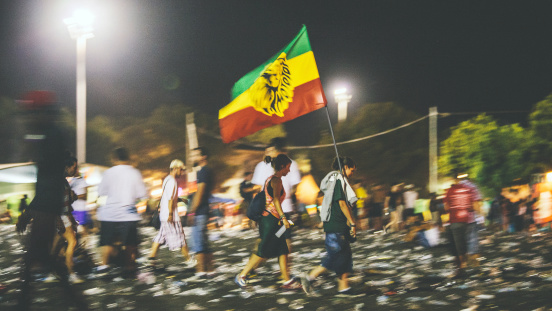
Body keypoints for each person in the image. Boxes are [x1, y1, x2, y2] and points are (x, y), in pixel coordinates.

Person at [15, 91, 88, 310]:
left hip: (46, 211)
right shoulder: (50, 135)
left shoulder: (50, 138)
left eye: (32, 113)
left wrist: (29, 213)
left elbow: (49, 183)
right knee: (42, 262)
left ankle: (25, 304)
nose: (29, 119)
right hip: (46, 209)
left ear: (42, 112)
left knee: (36, 262)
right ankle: (75, 302)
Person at [235, 154, 302, 290]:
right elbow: (276, 200)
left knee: (283, 249)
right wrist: (284, 218)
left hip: (273, 220)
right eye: (288, 167)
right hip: (270, 221)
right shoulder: (276, 181)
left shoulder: (270, 179)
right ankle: (241, 275)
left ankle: (287, 280)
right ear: (282, 167)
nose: (289, 170)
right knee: (263, 250)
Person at [301, 156, 361, 297]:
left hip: (337, 226)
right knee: (335, 256)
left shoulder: (333, 181)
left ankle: (343, 287)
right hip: (336, 226)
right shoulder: (339, 181)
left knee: (345, 256)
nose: (353, 173)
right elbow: (341, 204)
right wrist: (352, 222)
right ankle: (310, 277)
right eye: (352, 170)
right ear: (345, 167)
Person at [96, 147, 148, 277]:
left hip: (110, 214)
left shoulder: (108, 172)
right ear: (128, 158)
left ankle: (104, 266)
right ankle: (130, 266)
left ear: (114, 159)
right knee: (131, 243)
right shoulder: (135, 173)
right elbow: (142, 194)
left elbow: (101, 192)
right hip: (128, 214)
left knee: (107, 242)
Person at [251, 137, 301, 253]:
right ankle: (285, 270)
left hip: (267, 211)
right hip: (284, 211)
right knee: (285, 239)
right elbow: (295, 190)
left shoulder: (261, 166)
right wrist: (296, 208)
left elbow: (257, 191)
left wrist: (255, 212)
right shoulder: (292, 164)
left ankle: (252, 268)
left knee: (263, 240)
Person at [147, 159, 195, 267]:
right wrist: (170, 214)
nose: (182, 172)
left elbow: (169, 197)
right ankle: (189, 260)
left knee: (161, 237)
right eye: (181, 170)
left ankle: (151, 258)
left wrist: (180, 201)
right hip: (170, 215)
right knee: (181, 237)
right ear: (175, 168)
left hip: (164, 214)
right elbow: (169, 199)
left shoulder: (167, 180)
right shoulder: (172, 181)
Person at [443, 172, 479, 278]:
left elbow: (446, 207)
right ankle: (463, 266)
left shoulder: (450, 191)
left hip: (454, 220)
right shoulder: (468, 190)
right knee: (463, 243)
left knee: (456, 246)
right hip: (466, 221)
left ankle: (461, 268)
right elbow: (472, 206)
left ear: (453, 180)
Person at [189, 147, 216, 279]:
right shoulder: (207, 171)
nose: (192, 158)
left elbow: (200, 193)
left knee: (198, 242)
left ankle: (200, 271)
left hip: (200, 211)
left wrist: (191, 212)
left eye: (195, 155)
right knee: (204, 242)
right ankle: (210, 270)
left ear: (203, 157)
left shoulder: (203, 172)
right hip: (205, 210)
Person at [69, 161, 90, 245]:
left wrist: (75, 196)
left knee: (82, 230)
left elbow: (85, 196)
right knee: (73, 230)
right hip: (72, 209)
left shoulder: (82, 181)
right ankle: (77, 246)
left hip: (80, 210)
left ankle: (85, 247)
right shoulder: (71, 181)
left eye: (75, 169)